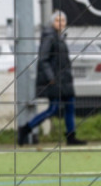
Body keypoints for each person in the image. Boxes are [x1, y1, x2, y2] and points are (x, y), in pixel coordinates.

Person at [17, 10, 86, 146]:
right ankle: (25, 129)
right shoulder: (49, 36)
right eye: (57, 21)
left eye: (63, 21)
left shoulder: (60, 37)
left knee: (70, 107)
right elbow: (43, 59)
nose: (61, 23)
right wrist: (51, 78)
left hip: (65, 80)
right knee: (53, 109)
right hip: (56, 80)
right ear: (52, 22)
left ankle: (71, 137)